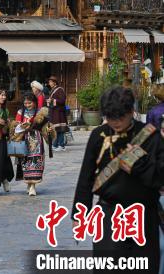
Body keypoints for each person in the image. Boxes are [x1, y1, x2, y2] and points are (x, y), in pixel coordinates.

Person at [72, 86, 164, 272]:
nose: (115, 122)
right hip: (109, 215)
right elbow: (86, 177)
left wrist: (140, 164)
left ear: (131, 111)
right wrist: (79, 213)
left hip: (144, 217)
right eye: (110, 117)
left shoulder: (150, 136)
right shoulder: (98, 136)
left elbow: (160, 179)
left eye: (120, 117)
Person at [12, 94, 49, 197]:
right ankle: (29, 183)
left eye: (29, 103)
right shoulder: (20, 112)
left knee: (36, 161)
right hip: (24, 139)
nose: (27, 105)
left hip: (36, 140)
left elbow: (45, 127)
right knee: (25, 162)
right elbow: (15, 126)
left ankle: (33, 186)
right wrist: (21, 126)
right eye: (25, 103)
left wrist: (48, 130)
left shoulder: (40, 113)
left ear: (35, 102)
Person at [47, 76, 67, 151]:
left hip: (59, 113)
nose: (49, 83)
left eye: (50, 82)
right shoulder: (52, 90)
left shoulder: (60, 90)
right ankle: (55, 145)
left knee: (60, 129)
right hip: (54, 112)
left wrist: (52, 100)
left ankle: (61, 145)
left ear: (54, 82)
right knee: (55, 129)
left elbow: (62, 100)